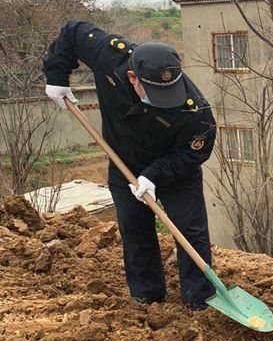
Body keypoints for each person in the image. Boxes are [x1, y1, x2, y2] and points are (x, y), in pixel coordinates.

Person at [43, 21, 217, 311]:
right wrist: (56, 76)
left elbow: (193, 154)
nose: (162, 102)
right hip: (125, 163)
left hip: (175, 172)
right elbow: (73, 32)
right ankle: (147, 297)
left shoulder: (195, 110)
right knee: (135, 230)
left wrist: (153, 175)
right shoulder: (110, 56)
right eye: (155, 94)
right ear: (133, 76)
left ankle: (199, 300)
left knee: (190, 231)